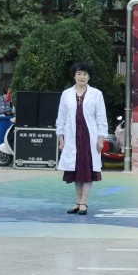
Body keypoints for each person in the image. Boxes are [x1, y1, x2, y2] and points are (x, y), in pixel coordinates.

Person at [56, 62, 108, 215]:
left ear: (89, 77)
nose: (82, 77)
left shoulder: (96, 94)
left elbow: (101, 118)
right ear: (74, 76)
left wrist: (101, 139)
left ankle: (84, 202)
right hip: (72, 138)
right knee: (76, 172)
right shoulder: (66, 94)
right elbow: (61, 118)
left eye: (85, 74)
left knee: (87, 171)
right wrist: (61, 138)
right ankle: (78, 202)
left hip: (89, 138)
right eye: (79, 74)